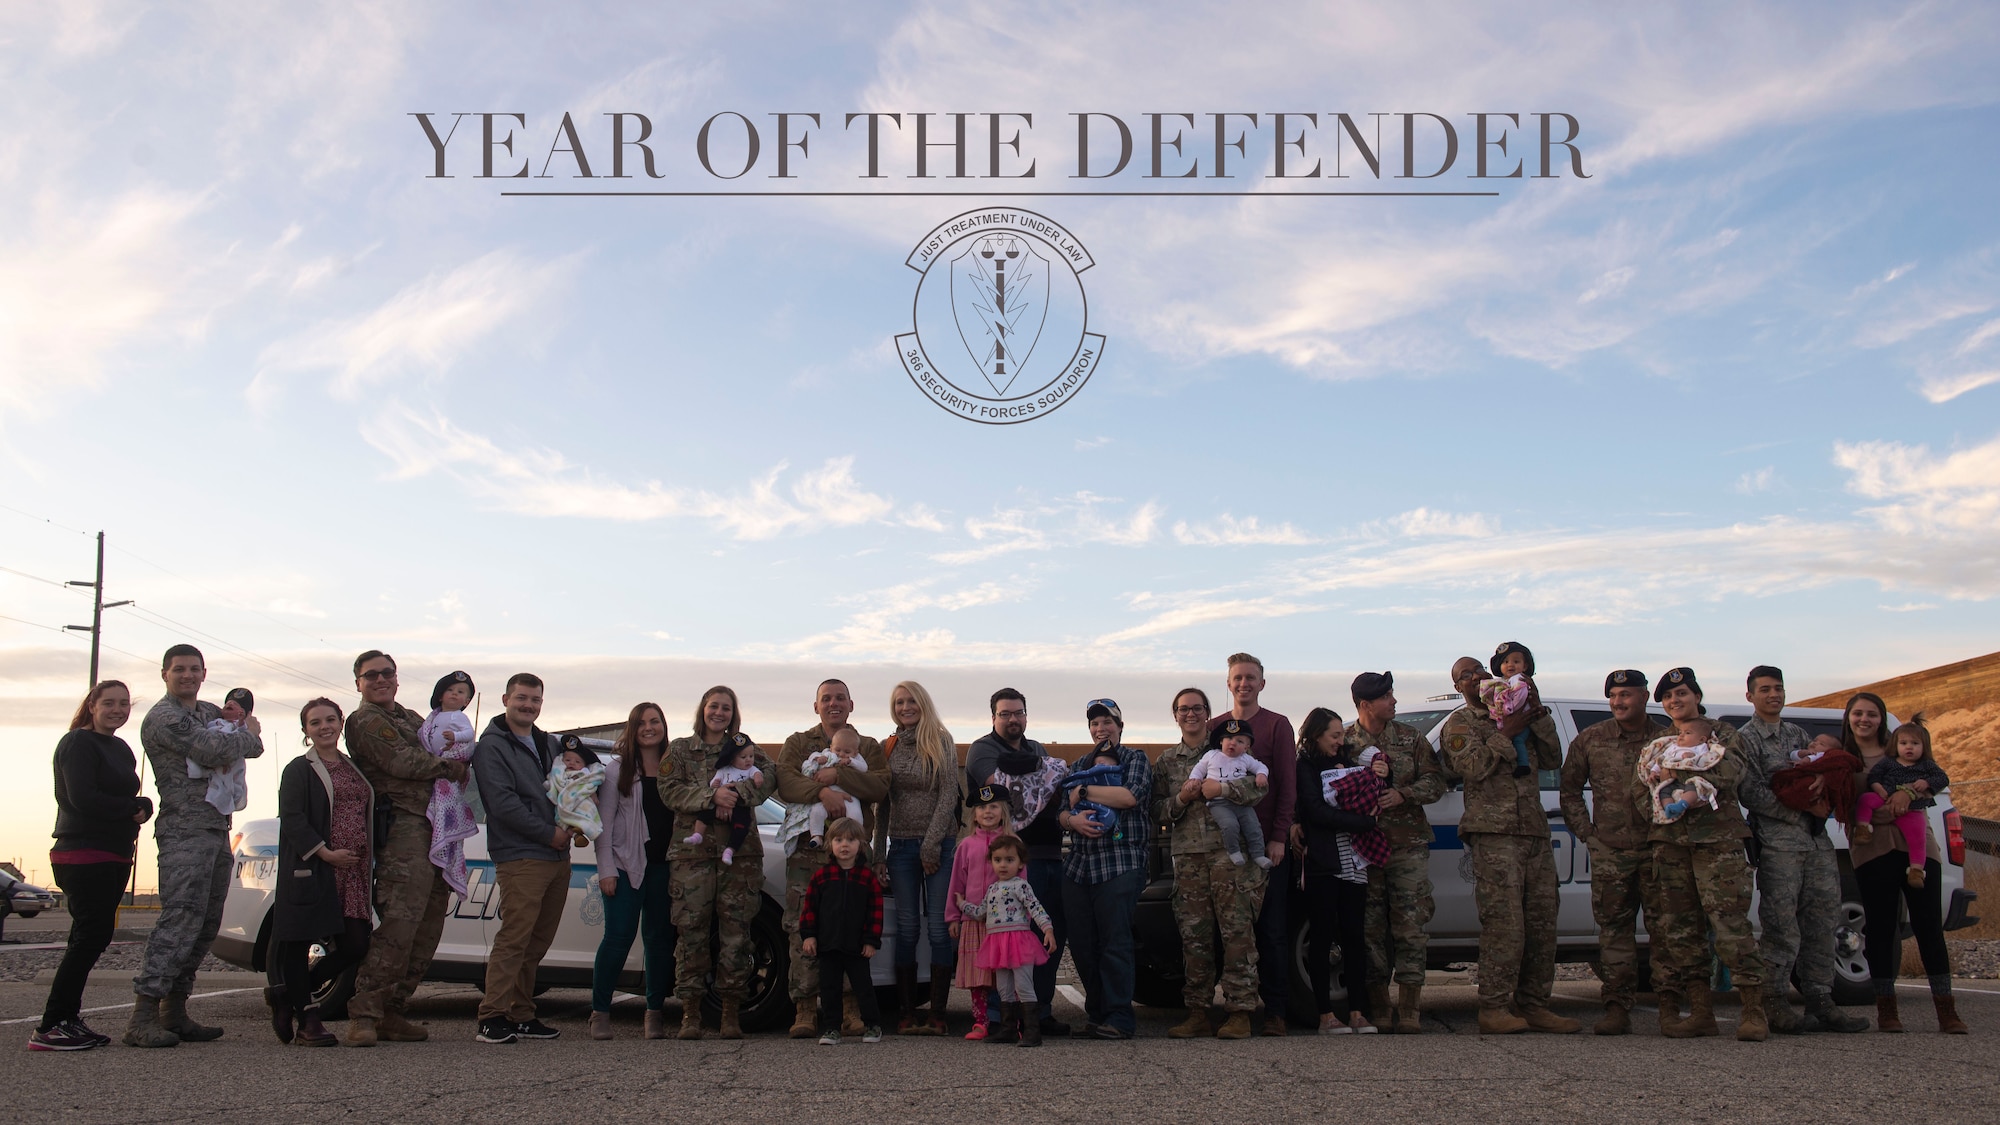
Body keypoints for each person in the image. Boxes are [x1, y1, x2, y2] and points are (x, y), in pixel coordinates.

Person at [127, 644, 264, 1048]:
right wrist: (246, 735)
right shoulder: (163, 718)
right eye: (179, 669)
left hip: (216, 828)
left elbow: (250, 746)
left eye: (194, 669)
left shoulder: (207, 713)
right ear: (165, 674)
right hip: (183, 831)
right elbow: (217, 748)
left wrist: (245, 738)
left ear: (205, 673)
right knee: (180, 919)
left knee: (205, 923)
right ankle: (143, 1015)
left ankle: (174, 1010)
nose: (187, 675)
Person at [1440, 655, 1578, 1036]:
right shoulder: (1462, 723)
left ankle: (1534, 1004)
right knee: (1505, 924)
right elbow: (1472, 767)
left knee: (1542, 921)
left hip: (1533, 829)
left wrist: (1534, 713)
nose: (1475, 678)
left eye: (1479, 671)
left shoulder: (1515, 707)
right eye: (1465, 676)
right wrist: (1506, 731)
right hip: (1494, 833)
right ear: (1458, 687)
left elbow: (1552, 758)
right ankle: (1495, 1006)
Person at [1733, 665, 1869, 1034]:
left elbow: (1820, 768)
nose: (1773, 694)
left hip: (1816, 841)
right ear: (1750, 696)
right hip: (1779, 843)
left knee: (1824, 920)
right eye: (1765, 689)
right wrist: (1800, 810)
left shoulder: (1797, 734)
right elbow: (1751, 791)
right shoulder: (1746, 739)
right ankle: (1774, 1001)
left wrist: (1825, 785)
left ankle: (1821, 1001)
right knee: (1781, 925)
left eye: (1778, 688)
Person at [343, 650, 465, 1047]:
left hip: (436, 824)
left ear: (397, 678)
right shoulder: (364, 720)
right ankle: (365, 1012)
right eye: (370, 675)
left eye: (387, 673)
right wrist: (449, 766)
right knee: (400, 922)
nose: (380, 680)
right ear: (358, 682)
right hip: (404, 827)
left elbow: (446, 746)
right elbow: (402, 761)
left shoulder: (412, 718)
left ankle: (394, 1009)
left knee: (430, 923)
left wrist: (454, 754)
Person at [1643, 667, 1768, 1041]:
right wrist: (1661, 798)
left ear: (1696, 696)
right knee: (1682, 931)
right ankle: (1701, 1013)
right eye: (1668, 697)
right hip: (1671, 845)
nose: (1675, 701)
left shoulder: (1721, 733)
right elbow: (1644, 784)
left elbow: (1732, 770)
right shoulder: (1658, 742)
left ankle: (1753, 1012)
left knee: (1730, 926)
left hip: (1717, 844)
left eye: (1682, 693)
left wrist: (1691, 790)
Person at [32, 681, 152, 1051]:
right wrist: (127, 810)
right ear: (92, 705)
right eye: (109, 703)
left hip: (114, 853)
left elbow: (125, 795)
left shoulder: (119, 747)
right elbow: (80, 798)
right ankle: (51, 1026)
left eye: (124, 704)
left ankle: (67, 1018)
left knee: (92, 937)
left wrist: (144, 805)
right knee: (89, 937)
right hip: (83, 854)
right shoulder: (77, 743)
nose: (117, 709)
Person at [1558, 670, 1673, 1035]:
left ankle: (1670, 1007)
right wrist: (1588, 835)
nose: (1619, 702)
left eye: (1626, 694)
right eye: (1613, 696)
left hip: (1659, 850)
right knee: (1614, 934)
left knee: (1666, 931)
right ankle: (1616, 1007)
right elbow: (1570, 790)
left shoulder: (1668, 738)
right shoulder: (1591, 739)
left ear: (1644, 696)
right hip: (1611, 852)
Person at [658, 689, 778, 1039]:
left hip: (738, 857)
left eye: (726, 708)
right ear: (703, 710)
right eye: (714, 706)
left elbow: (769, 777)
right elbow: (668, 790)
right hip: (692, 857)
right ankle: (690, 1013)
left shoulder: (744, 746)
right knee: (691, 933)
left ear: (733, 714)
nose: (720, 713)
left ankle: (730, 1012)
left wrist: (737, 794)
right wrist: (711, 796)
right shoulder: (680, 750)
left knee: (738, 934)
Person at [1844, 696, 1966, 1033]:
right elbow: (1848, 808)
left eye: (1872, 714)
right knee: (1881, 929)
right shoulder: (1844, 758)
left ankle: (1947, 1011)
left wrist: (1908, 796)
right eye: (1858, 713)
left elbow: (1934, 787)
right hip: (1873, 851)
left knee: (1929, 927)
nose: (1864, 719)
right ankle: (1887, 1011)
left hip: (1919, 849)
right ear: (1848, 718)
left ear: (1883, 720)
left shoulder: (1905, 750)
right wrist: (1892, 806)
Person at [777, 679, 891, 1039]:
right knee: (803, 927)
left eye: (840, 698)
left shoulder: (868, 746)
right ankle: (806, 1008)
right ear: (816, 706)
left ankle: (851, 1009)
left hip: (854, 854)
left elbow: (879, 786)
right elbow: (786, 781)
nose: (833, 704)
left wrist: (839, 774)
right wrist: (823, 791)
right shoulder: (798, 743)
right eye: (826, 699)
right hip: (808, 853)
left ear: (851, 705)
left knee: (853, 926)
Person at [1153, 687, 1267, 1040]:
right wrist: (1181, 798)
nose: (1191, 714)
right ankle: (1198, 1012)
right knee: (1195, 938)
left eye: (1198, 708)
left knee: (1237, 935)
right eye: (1184, 709)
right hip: (1188, 858)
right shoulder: (1167, 761)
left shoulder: (1231, 747)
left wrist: (1223, 791)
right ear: (1175, 716)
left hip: (1228, 855)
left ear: (1207, 713)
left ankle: (1240, 1012)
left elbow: (1259, 788)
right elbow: (1155, 810)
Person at [470, 673, 574, 1045]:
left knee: (537, 940)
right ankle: (492, 1017)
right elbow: (502, 804)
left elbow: (567, 786)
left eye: (535, 700)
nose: (528, 705)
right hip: (522, 855)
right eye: (521, 698)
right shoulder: (491, 747)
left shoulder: (547, 743)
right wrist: (550, 833)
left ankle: (521, 1013)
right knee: (514, 938)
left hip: (558, 855)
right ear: (505, 699)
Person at [268, 698, 375, 1047]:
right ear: (306, 730)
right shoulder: (299, 770)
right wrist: (325, 853)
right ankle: (309, 1021)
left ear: (341, 722)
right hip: (315, 868)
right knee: (299, 942)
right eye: (315, 722)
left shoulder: (353, 767)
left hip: (353, 872)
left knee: (356, 945)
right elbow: (293, 818)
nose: (324, 726)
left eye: (330, 719)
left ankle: (291, 992)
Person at [966, 687, 1072, 1037]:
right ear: (993, 717)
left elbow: (1054, 784)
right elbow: (1001, 788)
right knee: (1010, 941)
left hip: (1050, 853)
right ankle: (1002, 1018)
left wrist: (1042, 771)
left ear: (1026, 715)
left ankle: (1039, 1013)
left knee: (1047, 937)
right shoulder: (983, 749)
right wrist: (1045, 773)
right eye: (1005, 713)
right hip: (1012, 864)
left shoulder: (1037, 749)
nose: (1013, 719)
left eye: (1018, 713)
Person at [1344, 670, 1444, 1033]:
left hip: (1407, 845)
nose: (1394, 701)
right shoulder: (1343, 742)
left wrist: (1404, 794)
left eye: (1393, 695)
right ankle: (1379, 1006)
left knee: (1410, 925)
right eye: (1387, 696)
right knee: (1368, 929)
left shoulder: (1410, 738)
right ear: (1366, 704)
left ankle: (1411, 1007)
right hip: (1362, 851)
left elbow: (1435, 780)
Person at [1208, 654, 1297, 1034]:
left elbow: (1287, 786)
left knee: (1273, 931)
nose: (1244, 683)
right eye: (1237, 678)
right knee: (1230, 934)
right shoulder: (1214, 727)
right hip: (1226, 848)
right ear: (1228, 684)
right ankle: (1236, 1009)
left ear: (1262, 683)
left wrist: (1279, 836)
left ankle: (1276, 1009)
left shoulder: (1276, 726)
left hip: (1266, 845)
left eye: (1250, 678)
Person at [1059, 698, 1152, 1040]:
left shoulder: (1135, 759)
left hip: (1120, 860)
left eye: (1107, 722)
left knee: (1115, 941)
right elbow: (1061, 812)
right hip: (1079, 865)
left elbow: (1129, 797)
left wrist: (1082, 790)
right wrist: (1072, 820)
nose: (1101, 729)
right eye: (1095, 724)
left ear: (1120, 726)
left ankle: (1119, 1017)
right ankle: (1097, 1015)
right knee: (1083, 944)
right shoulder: (1076, 763)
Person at [589, 702, 680, 1041]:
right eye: (641, 722)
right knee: (618, 938)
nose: (648, 728)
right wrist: (606, 869)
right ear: (632, 728)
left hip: (665, 868)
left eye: (655, 721)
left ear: (663, 725)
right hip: (626, 866)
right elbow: (604, 824)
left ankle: (654, 1013)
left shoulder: (673, 767)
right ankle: (600, 1012)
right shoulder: (617, 771)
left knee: (658, 942)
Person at [877, 680, 961, 1035]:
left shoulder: (941, 741)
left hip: (938, 847)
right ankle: (907, 1011)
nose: (905, 707)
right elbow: (882, 802)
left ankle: (939, 1013)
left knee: (940, 930)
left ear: (923, 704)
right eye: (899, 702)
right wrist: (877, 853)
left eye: (911, 701)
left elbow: (948, 795)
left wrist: (932, 843)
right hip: (900, 848)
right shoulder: (889, 746)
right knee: (908, 929)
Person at [1295, 707, 1387, 1035]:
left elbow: (1374, 782)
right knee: (1321, 937)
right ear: (1316, 735)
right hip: (1323, 862)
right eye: (1334, 735)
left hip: (1354, 863)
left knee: (1353, 936)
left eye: (1342, 735)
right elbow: (1315, 811)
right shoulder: (1304, 766)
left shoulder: (1349, 762)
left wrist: (1380, 770)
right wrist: (1363, 823)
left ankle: (1358, 1012)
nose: (1340, 741)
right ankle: (1325, 1015)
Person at [959, 835, 1057, 1048]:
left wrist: (1047, 929)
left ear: (1021, 863)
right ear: (991, 862)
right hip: (997, 944)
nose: (1003, 865)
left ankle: (1032, 1032)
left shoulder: (1021, 886)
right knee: (1003, 986)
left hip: (1019, 941)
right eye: (998, 859)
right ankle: (1008, 1029)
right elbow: (980, 912)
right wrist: (963, 904)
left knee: (1023, 985)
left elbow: (1036, 908)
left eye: (1009, 860)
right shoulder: (992, 889)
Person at [799, 818, 885, 1046]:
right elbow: (809, 909)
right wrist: (809, 935)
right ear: (829, 844)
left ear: (861, 845)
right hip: (828, 945)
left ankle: (873, 1025)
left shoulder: (867, 879)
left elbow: (875, 912)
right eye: (838, 840)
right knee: (829, 989)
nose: (844, 845)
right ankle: (831, 1028)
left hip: (857, 946)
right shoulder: (821, 877)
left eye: (850, 840)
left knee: (863, 987)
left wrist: (870, 941)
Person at [946, 784, 1009, 1039]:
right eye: (982, 807)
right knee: (977, 975)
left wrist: (1023, 918)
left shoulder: (1012, 843)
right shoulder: (966, 846)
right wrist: (953, 916)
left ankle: (1004, 1020)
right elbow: (956, 884)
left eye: (993, 806)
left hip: (1003, 922)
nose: (988, 811)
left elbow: (1023, 882)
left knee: (1001, 973)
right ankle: (981, 1021)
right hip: (972, 921)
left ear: (1003, 812)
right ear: (974, 815)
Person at [1854, 721, 1950, 884]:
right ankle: (1863, 828)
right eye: (1904, 743)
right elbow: (1874, 776)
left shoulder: (1926, 765)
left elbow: (1943, 778)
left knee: (1918, 838)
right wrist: (1878, 788)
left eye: (1915, 743)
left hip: (1912, 810)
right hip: (1884, 798)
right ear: (1895, 745)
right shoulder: (1888, 762)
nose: (1909, 747)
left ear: (1924, 746)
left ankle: (1916, 870)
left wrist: (1926, 783)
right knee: (1865, 800)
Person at [418, 671, 478, 898]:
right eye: (450, 690)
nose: (455, 694)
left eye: (461, 692)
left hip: (448, 768)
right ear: (440, 695)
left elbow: (469, 735)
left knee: (445, 809)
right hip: (433, 769)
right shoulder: (430, 719)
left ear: (467, 701)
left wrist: (456, 741)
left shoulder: (458, 718)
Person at [1191, 721, 1271, 867]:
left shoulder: (1245, 759)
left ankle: (1258, 854)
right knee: (1229, 825)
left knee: (1253, 826)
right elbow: (1199, 769)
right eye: (1228, 739)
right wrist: (1194, 779)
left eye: (1239, 741)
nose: (1232, 743)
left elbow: (1261, 767)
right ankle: (1234, 851)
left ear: (1247, 747)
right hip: (1219, 803)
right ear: (1221, 741)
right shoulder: (1212, 755)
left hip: (1242, 803)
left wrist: (1261, 775)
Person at [781, 726, 867, 852]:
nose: (841, 754)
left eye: (847, 752)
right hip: (827, 794)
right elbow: (810, 759)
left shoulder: (857, 758)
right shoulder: (826, 753)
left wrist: (850, 762)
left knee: (855, 814)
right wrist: (817, 759)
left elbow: (864, 768)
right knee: (816, 812)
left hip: (849, 796)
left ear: (855, 752)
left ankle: (857, 838)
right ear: (831, 747)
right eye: (837, 750)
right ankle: (816, 835)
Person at [685, 736, 762, 865]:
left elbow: (758, 775)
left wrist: (758, 778)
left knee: (742, 826)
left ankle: (730, 850)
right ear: (732, 759)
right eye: (743, 757)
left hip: (739, 806)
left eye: (751, 756)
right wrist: (715, 789)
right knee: (704, 814)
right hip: (717, 802)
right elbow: (714, 784)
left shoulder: (751, 769)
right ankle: (697, 835)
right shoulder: (724, 770)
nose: (748, 760)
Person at [190, 687, 254, 816]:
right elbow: (209, 743)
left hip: (232, 764)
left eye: (236, 705)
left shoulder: (241, 726)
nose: (230, 704)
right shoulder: (214, 721)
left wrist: (243, 724)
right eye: (228, 703)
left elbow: (254, 745)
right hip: (211, 761)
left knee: (234, 780)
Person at [1484, 641, 1540, 778]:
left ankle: (1523, 764)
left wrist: (1509, 710)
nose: (1510, 665)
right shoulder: (1502, 682)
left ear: (1525, 665)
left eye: (1516, 661)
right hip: (1508, 718)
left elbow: (1520, 698)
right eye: (1505, 662)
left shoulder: (1519, 680)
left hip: (1523, 718)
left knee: (1518, 740)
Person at [547, 742, 605, 846]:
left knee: (587, 807)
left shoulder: (585, 774)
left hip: (579, 800)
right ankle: (576, 836)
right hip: (563, 803)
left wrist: (590, 790)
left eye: (577, 762)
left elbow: (590, 783)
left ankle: (583, 826)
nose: (572, 763)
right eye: (567, 760)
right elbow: (551, 783)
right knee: (562, 822)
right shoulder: (558, 774)